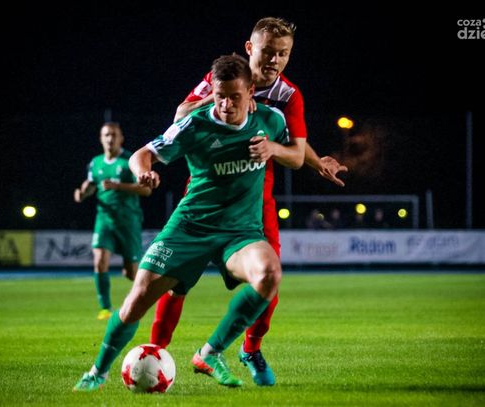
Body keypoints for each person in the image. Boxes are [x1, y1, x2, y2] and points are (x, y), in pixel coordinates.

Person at [149, 17, 348, 386]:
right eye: (268, 51)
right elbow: (180, 115)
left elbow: (294, 148)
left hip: (255, 203)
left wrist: (308, 159)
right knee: (176, 281)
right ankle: (154, 353)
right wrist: (225, 97)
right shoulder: (226, 78)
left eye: (283, 54)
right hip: (206, 196)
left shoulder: (289, 95)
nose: (275, 60)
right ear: (250, 48)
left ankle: (249, 348)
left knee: (269, 280)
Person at [73, 54, 289, 391]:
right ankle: (96, 372)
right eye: (219, 96)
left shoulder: (271, 120)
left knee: (269, 273)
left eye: (234, 97)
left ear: (250, 92)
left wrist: (299, 156)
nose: (226, 105)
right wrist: (143, 172)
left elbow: (296, 151)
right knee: (136, 300)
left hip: (240, 232)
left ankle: (211, 352)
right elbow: (142, 154)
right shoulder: (195, 125)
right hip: (189, 228)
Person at [74, 122, 152, 320]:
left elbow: (146, 190)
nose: (110, 139)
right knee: (99, 261)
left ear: (121, 138)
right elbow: (91, 185)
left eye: (114, 135)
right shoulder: (96, 163)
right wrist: (82, 193)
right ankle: (106, 308)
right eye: (106, 135)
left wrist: (118, 186)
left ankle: (154, 294)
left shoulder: (130, 161)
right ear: (101, 139)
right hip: (104, 220)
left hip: (128, 221)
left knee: (131, 273)